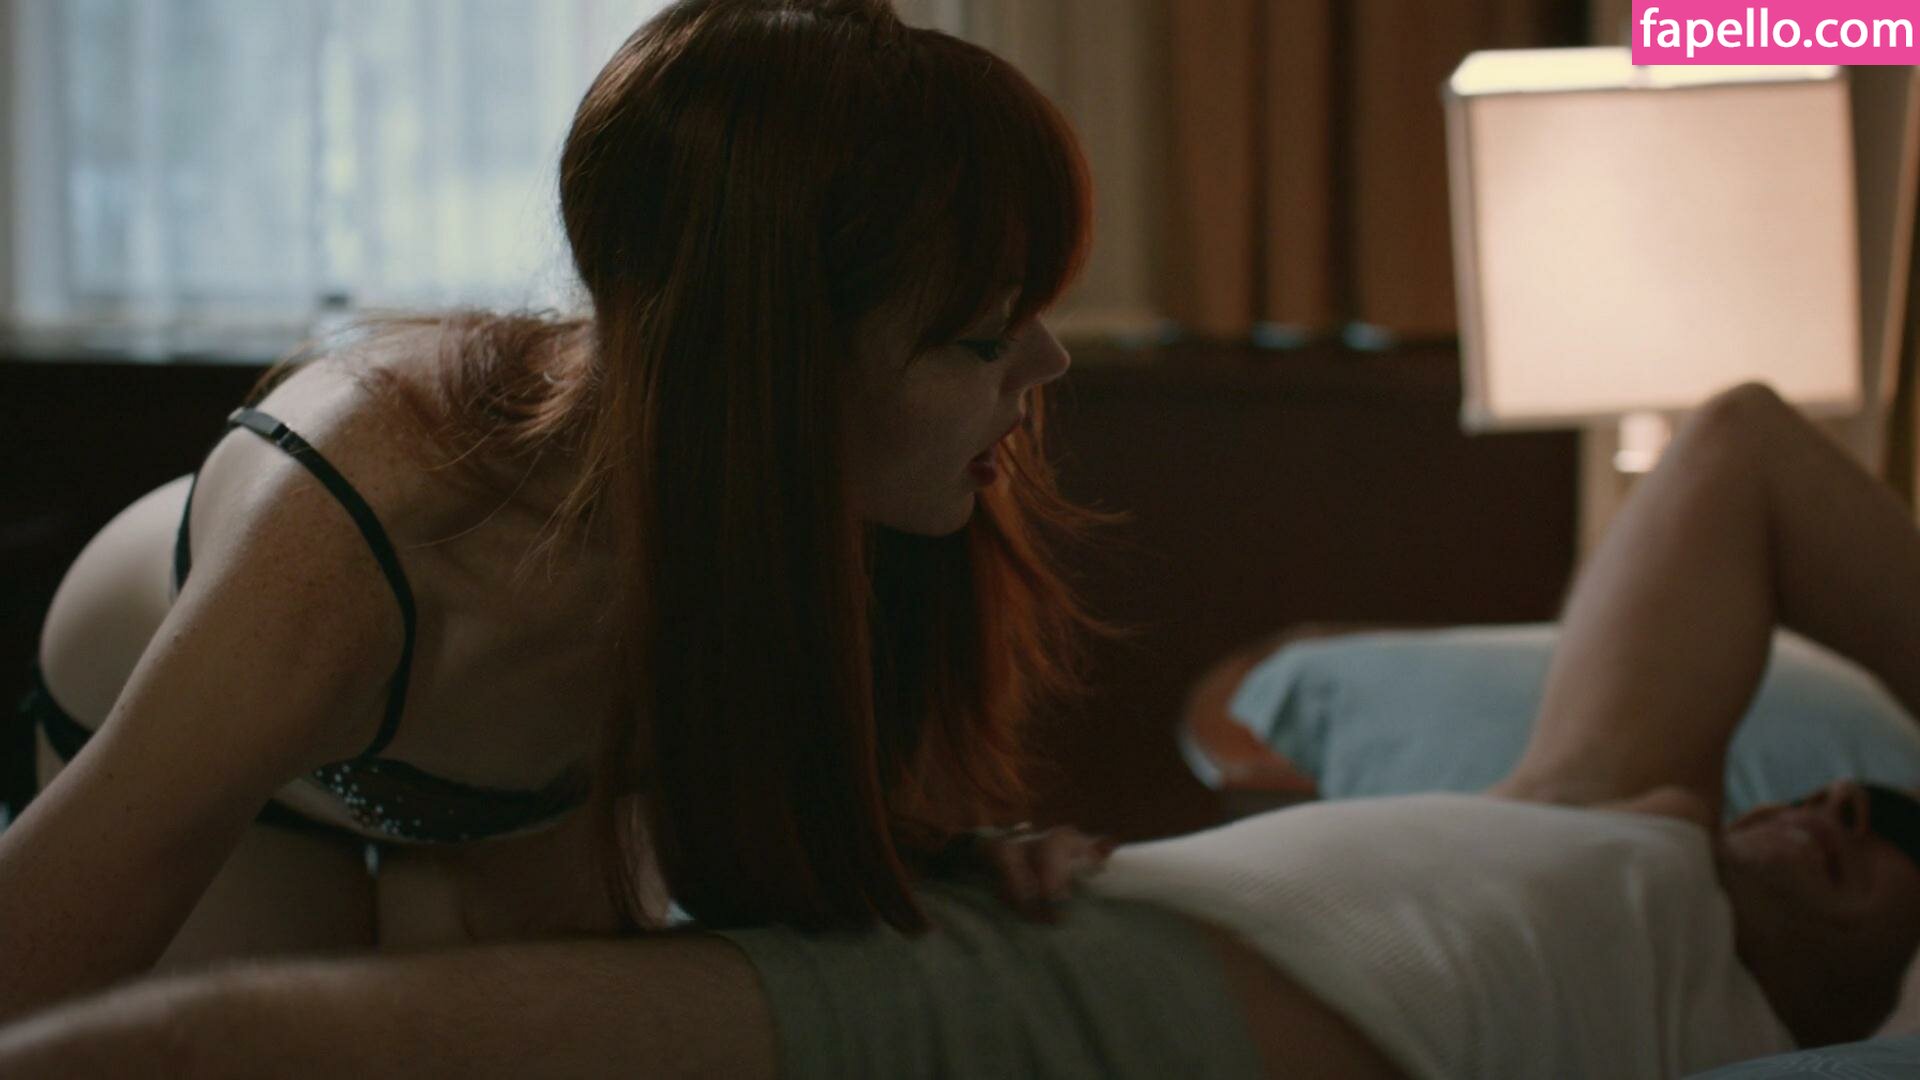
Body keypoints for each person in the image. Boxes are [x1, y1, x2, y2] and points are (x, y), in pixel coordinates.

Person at [7, 383, 1920, 1079]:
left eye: (1901, 847)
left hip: (1130, 1032)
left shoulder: (1742, 1025)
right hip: (1039, 972)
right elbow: (1743, 448)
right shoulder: (1616, 794)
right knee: (238, 1048)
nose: (1844, 804)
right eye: (1859, 785)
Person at [0, 0, 1122, 1024]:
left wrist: (957, 857)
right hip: (212, 745)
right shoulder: (356, 529)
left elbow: (815, 852)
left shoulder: (839, 494)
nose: (1050, 364)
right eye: (982, 337)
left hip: (509, 806)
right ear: (770, 356)